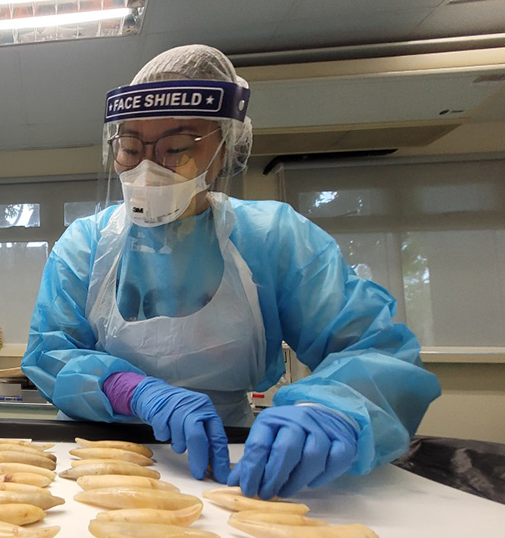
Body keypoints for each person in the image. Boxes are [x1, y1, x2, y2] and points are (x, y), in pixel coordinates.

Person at [22, 45, 440, 499]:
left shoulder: (273, 237)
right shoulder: (87, 243)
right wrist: (127, 388)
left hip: (227, 450)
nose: (147, 170)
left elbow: (374, 350)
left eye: (176, 149)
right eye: (130, 149)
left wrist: (333, 408)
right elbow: (51, 351)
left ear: (224, 151)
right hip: (98, 449)